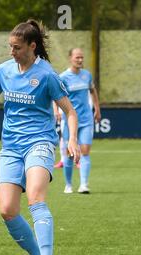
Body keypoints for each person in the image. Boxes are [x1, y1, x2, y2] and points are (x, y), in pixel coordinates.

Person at [0, 19, 80, 255]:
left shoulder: (47, 75)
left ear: (32, 46)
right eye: (10, 47)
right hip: (11, 148)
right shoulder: (5, 70)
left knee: (36, 199)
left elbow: (70, 111)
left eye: (16, 47)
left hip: (39, 142)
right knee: (7, 210)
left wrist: (71, 139)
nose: (11, 52)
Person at [55, 48, 101, 194]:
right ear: (70, 58)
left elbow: (93, 92)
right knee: (70, 153)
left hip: (86, 119)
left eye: (81, 57)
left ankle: (84, 185)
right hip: (70, 120)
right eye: (77, 58)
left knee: (85, 151)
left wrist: (97, 109)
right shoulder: (63, 77)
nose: (80, 60)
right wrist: (56, 110)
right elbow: (55, 95)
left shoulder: (87, 75)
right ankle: (68, 185)